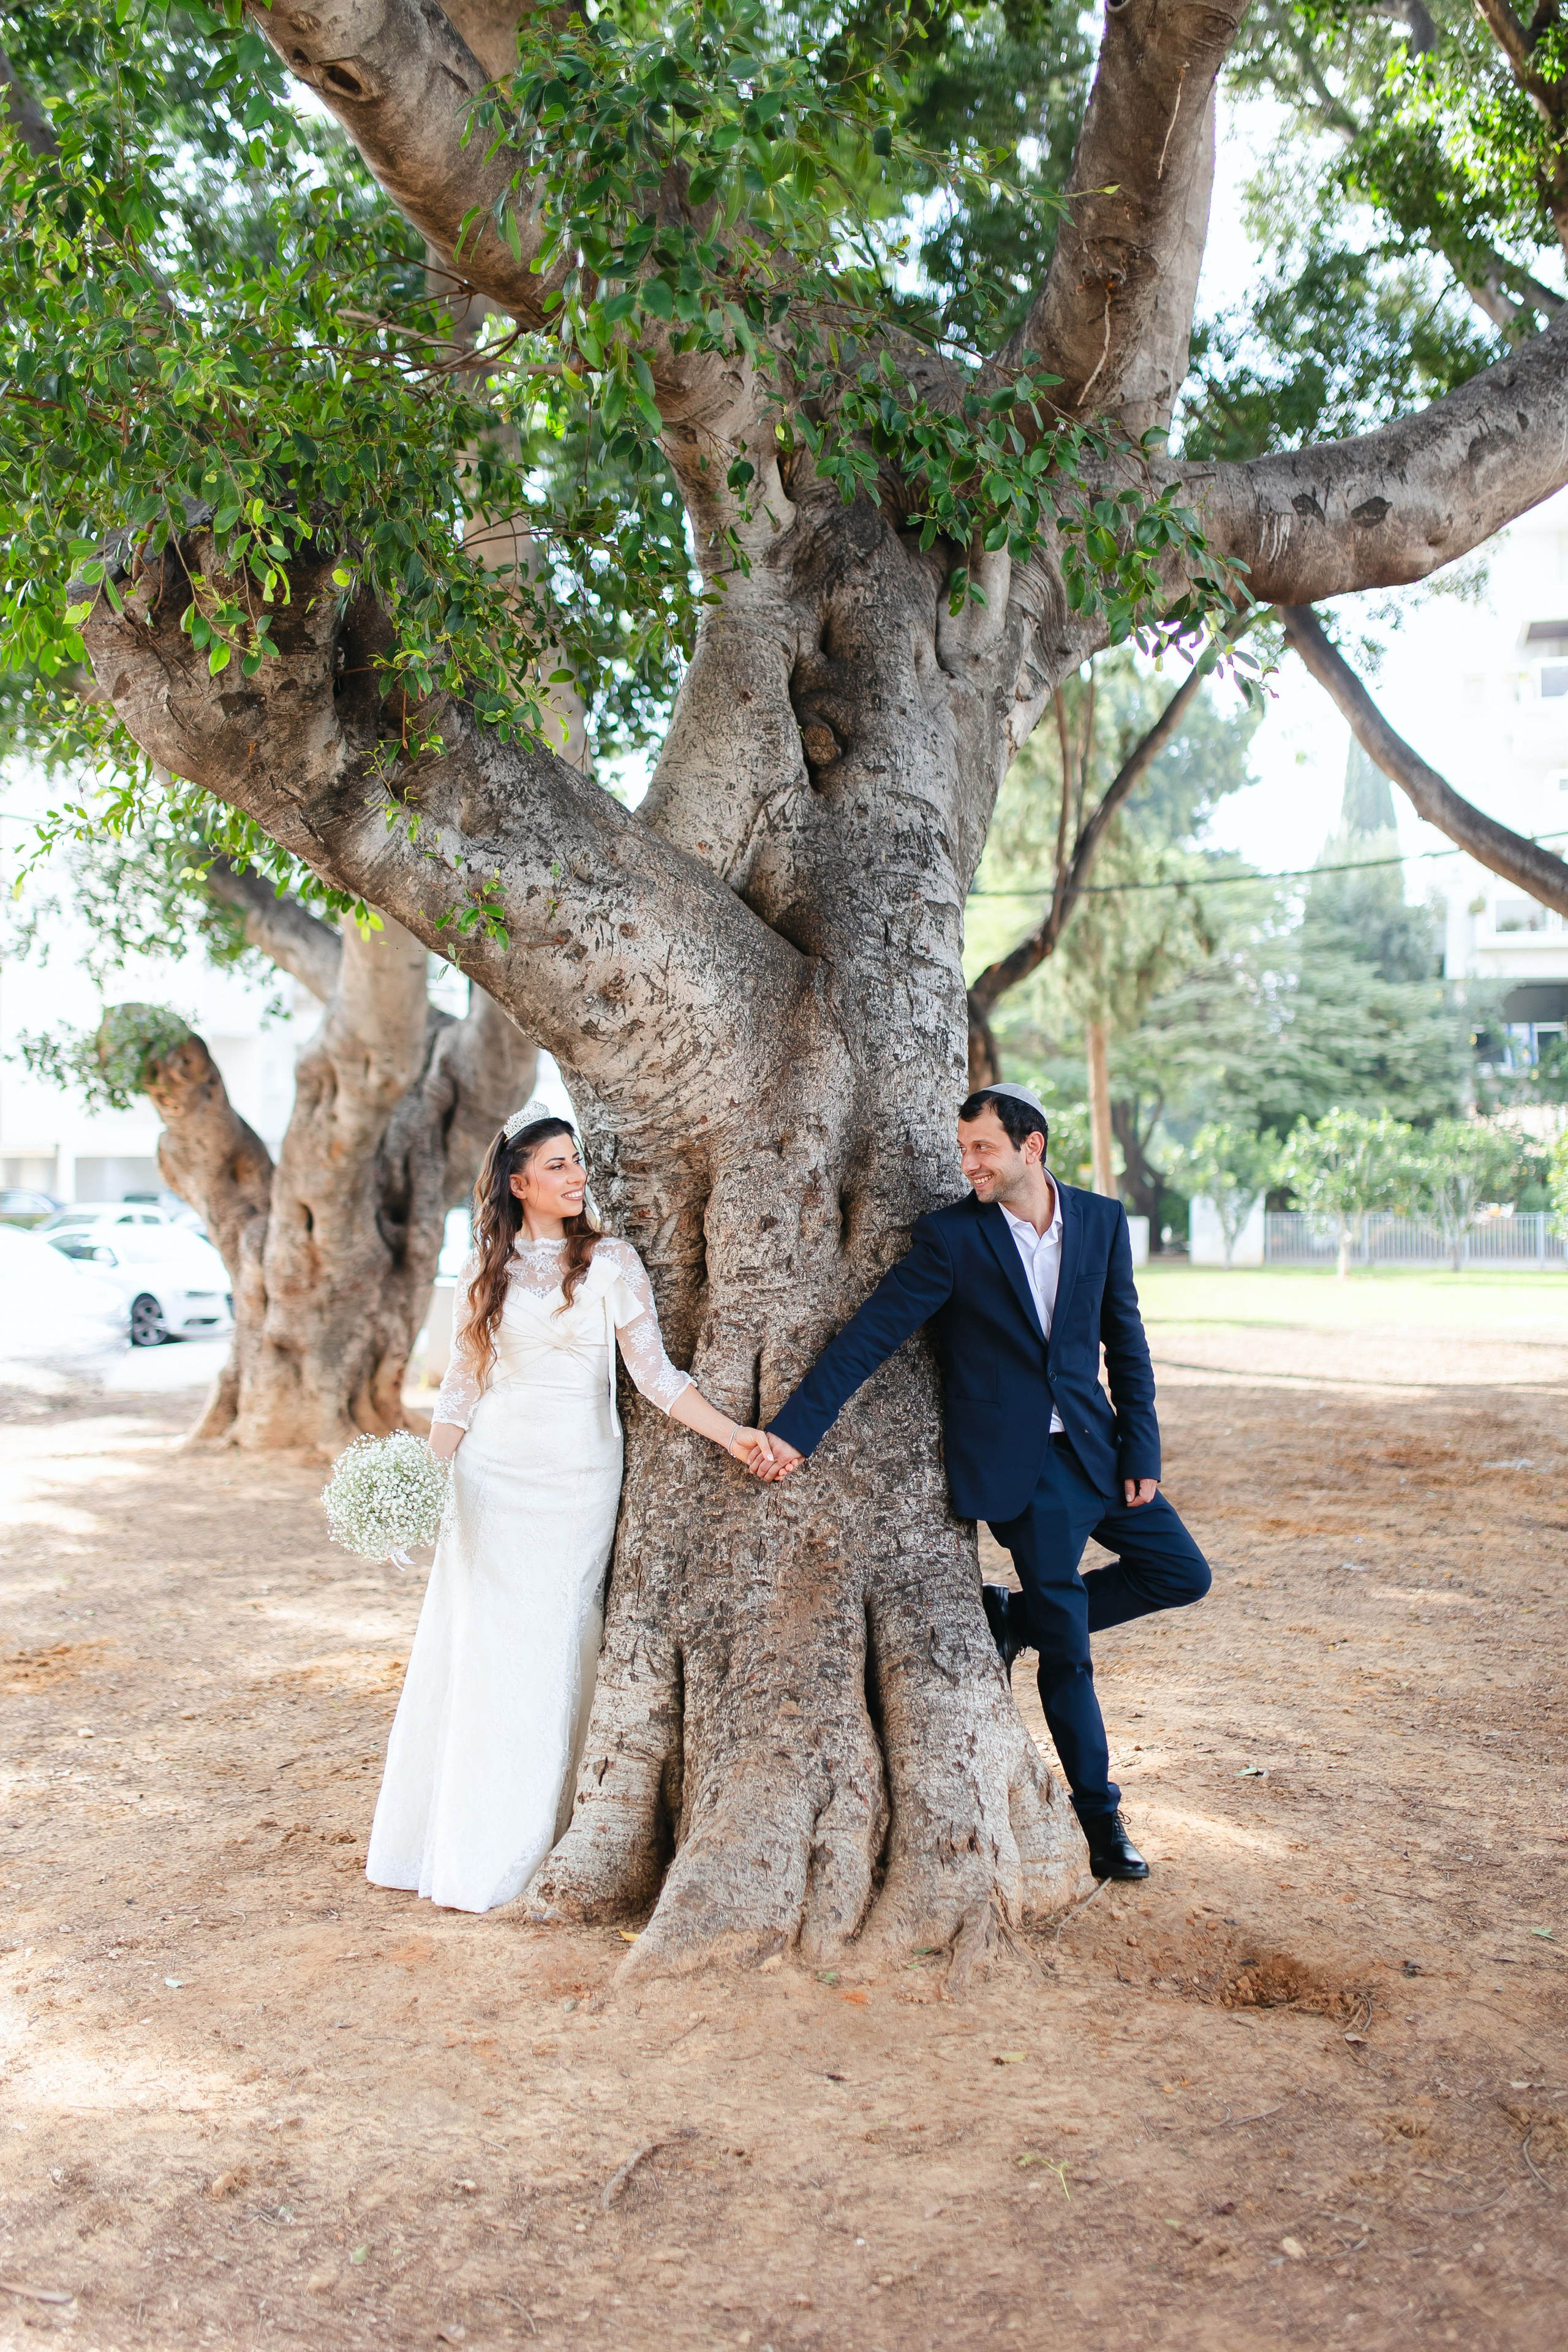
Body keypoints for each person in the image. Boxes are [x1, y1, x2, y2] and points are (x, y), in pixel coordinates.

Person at [752, 1082, 1209, 1882]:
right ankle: (1100, 1820)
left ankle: (1015, 1616)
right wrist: (796, 1431)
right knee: (1070, 1655)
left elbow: (1125, 1344)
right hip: (1022, 1474)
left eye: (982, 1150)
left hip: (1101, 1457)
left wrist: (1142, 1452)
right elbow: (871, 1335)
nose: (968, 1166)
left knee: (1181, 1572)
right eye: (965, 1150)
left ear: (1032, 1147)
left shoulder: (1100, 1223)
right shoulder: (952, 1240)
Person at [366, 1103, 774, 1914]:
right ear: (518, 1184)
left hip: (580, 1479)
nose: (575, 1175)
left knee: (555, 1646)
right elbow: (459, 1388)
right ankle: (468, 1846)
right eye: (556, 1166)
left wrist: (733, 1435)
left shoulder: (612, 1261)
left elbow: (656, 1377)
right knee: (486, 1653)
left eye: (575, 1161)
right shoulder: (484, 1273)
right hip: (492, 1479)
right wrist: (423, 1480)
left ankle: (545, 1837)